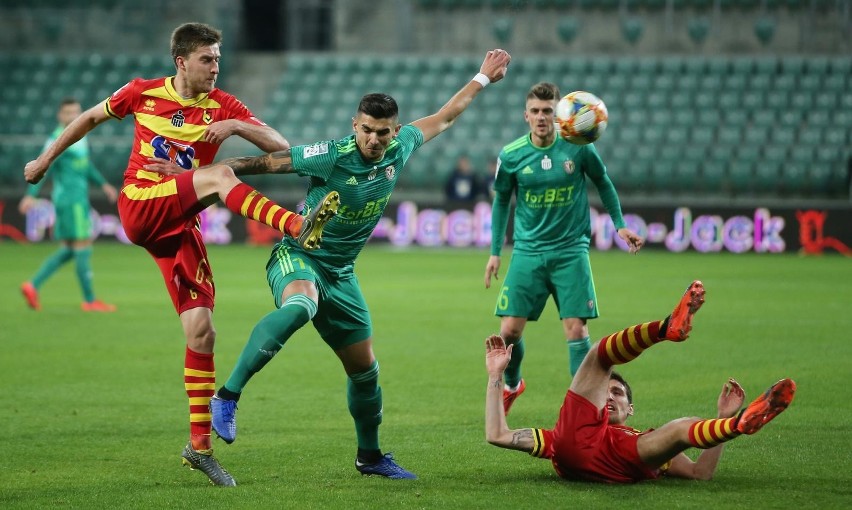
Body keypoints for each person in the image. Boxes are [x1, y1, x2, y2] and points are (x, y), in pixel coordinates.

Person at [23, 22, 339, 487]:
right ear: (182, 62)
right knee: (217, 176)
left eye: (218, 58)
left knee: (202, 330)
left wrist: (235, 124)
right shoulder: (142, 93)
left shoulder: (223, 104)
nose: (216, 67)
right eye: (207, 59)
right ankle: (296, 226)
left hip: (178, 223)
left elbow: (283, 150)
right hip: (140, 203)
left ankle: (199, 448)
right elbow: (89, 119)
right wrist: (45, 160)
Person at [207, 49, 513, 480]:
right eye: (367, 130)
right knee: (300, 306)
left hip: (342, 275)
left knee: (366, 374)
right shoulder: (330, 155)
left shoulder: (400, 147)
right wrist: (203, 177)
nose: (374, 140)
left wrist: (482, 77)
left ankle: (369, 458)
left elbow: (445, 116)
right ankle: (227, 395)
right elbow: (261, 163)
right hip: (299, 257)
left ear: (394, 131)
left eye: (382, 133)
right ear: (355, 125)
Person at [484, 280, 796, 483]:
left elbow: (700, 473)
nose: (608, 395)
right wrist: (495, 374)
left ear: (630, 408)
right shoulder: (554, 437)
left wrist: (724, 418)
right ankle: (667, 328)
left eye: (617, 392)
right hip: (580, 443)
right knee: (599, 357)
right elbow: (497, 434)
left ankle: (737, 425)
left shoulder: (639, 437)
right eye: (605, 390)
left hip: (627, 457)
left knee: (677, 428)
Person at [483, 82, 644, 415]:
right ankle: (513, 384)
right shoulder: (512, 154)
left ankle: (585, 407)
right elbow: (501, 201)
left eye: (547, 111)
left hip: (571, 251)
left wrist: (620, 224)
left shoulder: (578, 147)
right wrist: (495, 250)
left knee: (576, 329)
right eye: (536, 112)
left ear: (557, 115)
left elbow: (604, 182)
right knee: (509, 331)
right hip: (528, 251)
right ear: (525, 116)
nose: (541, 117)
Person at [19, 97, 119, 312]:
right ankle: (90, 301)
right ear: (60, 115)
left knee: (69, 249)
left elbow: (86, 166)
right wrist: (30, 194)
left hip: (78, 199)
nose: (73, 116)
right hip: (70, 200)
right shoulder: (56, 139)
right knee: (83, 246)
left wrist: (103, 185)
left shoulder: (79, 136)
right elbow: (42, 167)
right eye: (68, 113)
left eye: (77, 112)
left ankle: (32, 285)